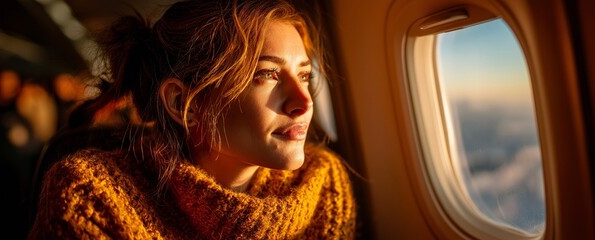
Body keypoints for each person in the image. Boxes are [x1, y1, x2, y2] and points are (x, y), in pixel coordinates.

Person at [28, 0, 357, 238]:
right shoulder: (92, 195)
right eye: (268, 74)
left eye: (304, 75)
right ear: (184, 101)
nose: (303, 102)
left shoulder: (322, 183)